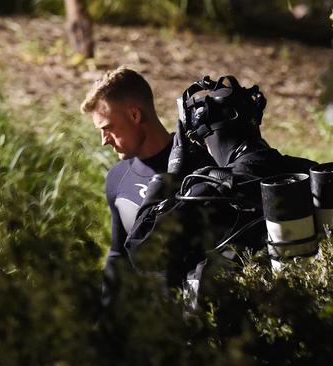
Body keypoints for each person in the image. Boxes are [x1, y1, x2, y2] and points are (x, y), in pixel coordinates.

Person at [124, 75, 317, 294]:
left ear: (206, 137)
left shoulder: (211, 190)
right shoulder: (307, 172)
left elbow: (142, 251)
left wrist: (169, 177)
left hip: (236, 323)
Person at [80, 66, 176, 293]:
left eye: (108, 128)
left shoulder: (198, 168)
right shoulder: (117, 178)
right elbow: (118, 255)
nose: (104, 141)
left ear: (135, 115)